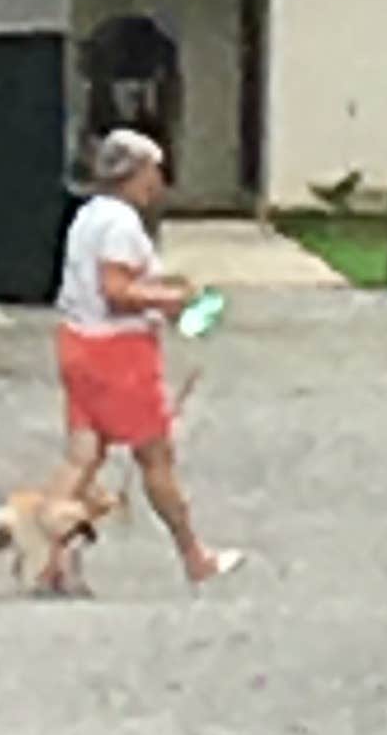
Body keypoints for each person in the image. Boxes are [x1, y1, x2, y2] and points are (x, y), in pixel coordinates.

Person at [47, 127, 243, 588]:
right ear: (135, 174)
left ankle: (46, 552)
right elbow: (117, 291)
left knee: (84, 454)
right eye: (154, 171)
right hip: (118, 352)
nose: (159, 181)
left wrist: (166, 288)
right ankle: (194, 555)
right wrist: (170, 302)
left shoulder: (88, 216)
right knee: (155, 457)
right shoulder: (121, 225)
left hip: (77, 342)